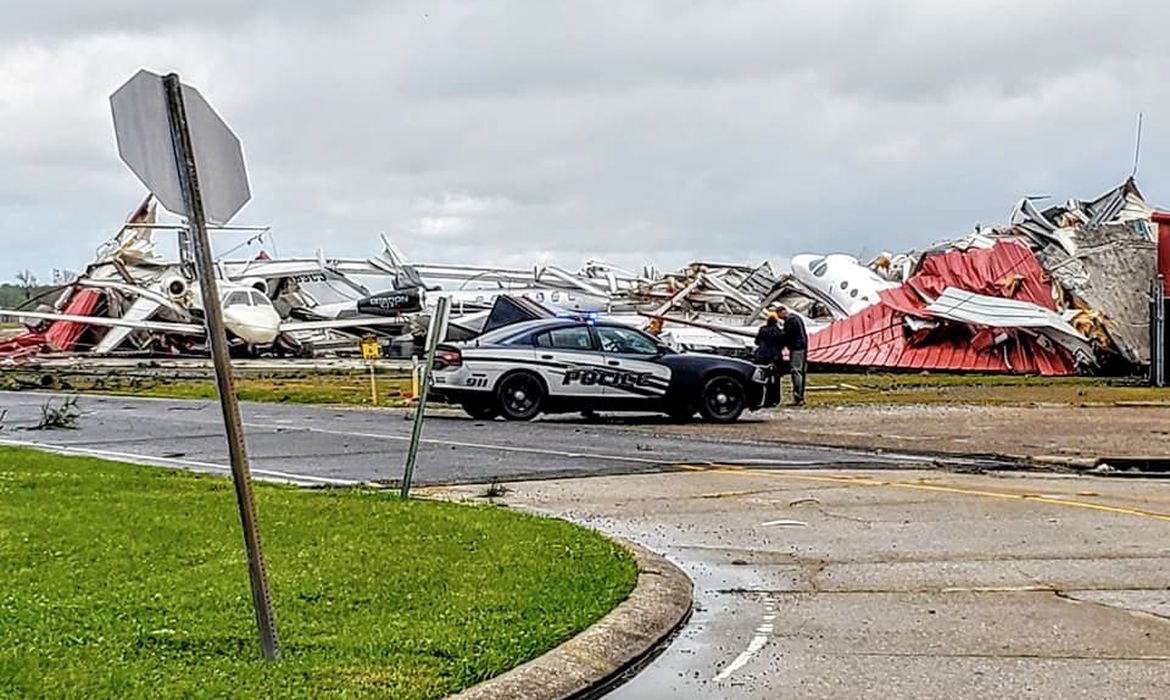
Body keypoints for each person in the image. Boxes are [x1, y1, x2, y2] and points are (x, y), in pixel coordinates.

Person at [775, 306, 808, 406]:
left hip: (796, 348)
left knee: (796, 370)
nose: (780, 318)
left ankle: (798, 397)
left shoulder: (790, 321)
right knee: (801, 371)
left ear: (782, 312)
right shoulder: (797, 318)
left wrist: (781, 343)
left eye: (779, 315)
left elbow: (787, 335)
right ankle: (800, 396)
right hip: (803, 346)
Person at [754, 311, 786, 406]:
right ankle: (775, 399)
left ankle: (762, 399)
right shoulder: (780, 332)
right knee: (776, 379)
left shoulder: (762, 330)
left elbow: (757, 342)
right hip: (776, 357)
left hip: (763, 356)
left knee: (763, 378)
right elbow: (782, 344)